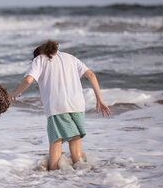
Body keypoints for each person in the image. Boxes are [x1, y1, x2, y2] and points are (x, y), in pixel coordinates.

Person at [10, 40, 111, 171]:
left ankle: (53, 178)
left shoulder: (39, 59)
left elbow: (29, 79)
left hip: (58, 106)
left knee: (56, 142)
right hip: (78, 105)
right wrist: (100, 99)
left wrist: (17, 92)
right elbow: (91, 75)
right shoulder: (70, 58)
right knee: (75, 143)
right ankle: (84, 175)